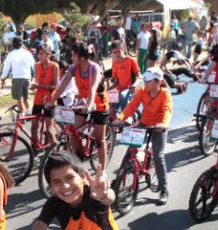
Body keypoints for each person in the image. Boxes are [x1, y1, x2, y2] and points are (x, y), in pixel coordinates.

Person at [48, 42, 111, 171]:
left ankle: (102, 170)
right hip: (83, 102)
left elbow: (93, 88)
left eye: (73, 56)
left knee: (99, 140)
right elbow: (62, 86)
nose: (72, 58)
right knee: (73, 131)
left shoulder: (94, 68)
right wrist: (52, 101)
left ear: (82, 57)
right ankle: (78, 161)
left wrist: (91, 103)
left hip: (98, 103)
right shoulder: (73, 68)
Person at [116, 68, 173, 204]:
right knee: (131, 150)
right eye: (145, 80)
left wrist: (164, 124)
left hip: (159, 127)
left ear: (158, 82)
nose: (145, 83)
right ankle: (119, 178)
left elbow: (167, 110)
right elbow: (131, 106)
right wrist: (120, 118)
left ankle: (164, 189)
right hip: (144, 123)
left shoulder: (165, 94)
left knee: (158, 155)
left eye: (148, 81)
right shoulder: (142, 92)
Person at [30, 46, 60, 144]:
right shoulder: (36, 65)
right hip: (38, 99)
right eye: (38, 54)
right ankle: (35, 147)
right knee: (34, 127)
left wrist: (38, 86)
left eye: (42, 54)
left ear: (48, 55)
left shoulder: (54, 66)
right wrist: (34, 87)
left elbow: (54, 86)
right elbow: (36, 81)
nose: (40, 56)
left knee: (49, 129)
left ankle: (55, 150)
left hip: (50, 99)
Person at [0, 37, 36, 115]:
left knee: (19, 98)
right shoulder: (27, 53)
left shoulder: (11, 54)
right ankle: (28, 112)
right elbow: (33, 65)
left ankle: (22, 114)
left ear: (13, 44)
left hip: (17, 79)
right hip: (27, 78)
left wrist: (3, 78)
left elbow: (6, 67)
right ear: (22, 44)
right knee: (26, 97)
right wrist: (35, 77)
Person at [109, 40, 140, 113]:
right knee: (109, 98)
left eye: (118, 51)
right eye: (114, 52)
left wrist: (134, 85)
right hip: (120, 89)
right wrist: (107, 89)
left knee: (122, 95)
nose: (117, 54)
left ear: (123, 49)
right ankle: (114, 118)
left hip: (130, 89)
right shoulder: (115, 64)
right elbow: (116, 82)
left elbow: (139, 76)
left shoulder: (131, 60)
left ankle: (125, 116)